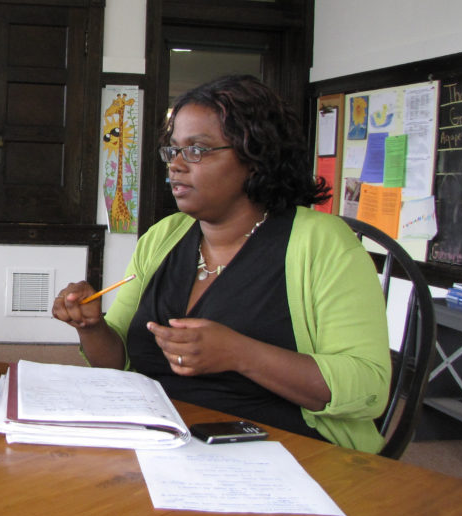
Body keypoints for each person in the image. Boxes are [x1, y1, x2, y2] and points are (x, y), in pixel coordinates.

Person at [53, 75, 391, 453]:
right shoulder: (163, 237)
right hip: (163, 441)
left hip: (281, 450)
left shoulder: (323, 244)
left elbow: (370, 388)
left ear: (254, 157)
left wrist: (239, 354)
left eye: (197, 150)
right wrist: (93, 327)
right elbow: (118, 365)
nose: (176, 166)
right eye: (173, 150)